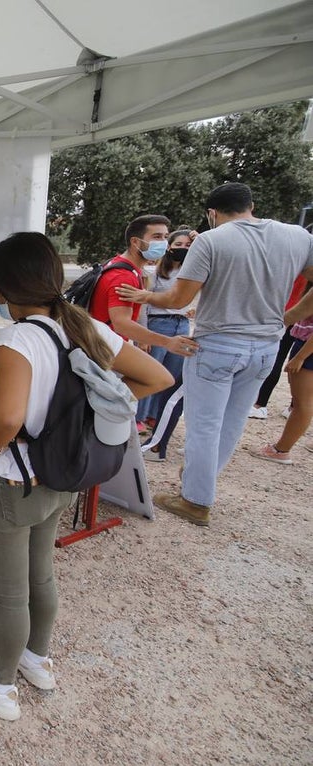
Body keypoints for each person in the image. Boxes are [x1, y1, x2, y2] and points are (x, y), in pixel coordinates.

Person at [0, 232, 170, 722]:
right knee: (40, 573)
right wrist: (87, 413)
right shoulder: (82, 325)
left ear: (6, 287)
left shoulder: (15, 341)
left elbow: (6, 419)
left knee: (8, 593)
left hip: (10, 481)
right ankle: (35, 658)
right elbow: (157, 377)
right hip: (60, 474)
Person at [118, 182, 313, 525]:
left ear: (212, 213)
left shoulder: (211, 240)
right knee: (232, 423)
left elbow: (178, 299)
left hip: (219, 345)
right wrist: (290, 316)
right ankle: (200, 480)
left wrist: (145, 297)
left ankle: (195, 500)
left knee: (204, 425)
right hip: (265, 347)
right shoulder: (296, 236)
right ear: (251, 205)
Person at [87, 215, 199, 361]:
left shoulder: (125, 267)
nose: (163, 242)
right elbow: (121, 324)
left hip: (105, 346)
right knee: (159, 375)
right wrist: (167, 342)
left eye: (165, 237)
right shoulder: (123, 276)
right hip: (105, 351)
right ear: (135, 241)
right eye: (157, 237)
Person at [135, 229, 193, 436]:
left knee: (172, 375)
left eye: (188, 245)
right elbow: (143, 304)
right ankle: (138, 417)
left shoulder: (192, 274)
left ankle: (155, 415)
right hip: (158, 324)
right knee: (150, 372)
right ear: (169, 247)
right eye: (179, 244)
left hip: (182, 324)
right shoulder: (153, 273)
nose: (183, 249)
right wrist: (142, 335)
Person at [251, 289, 313, 464]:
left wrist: (300, 357)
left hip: (308, 347)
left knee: (302, 402)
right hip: (305, 343)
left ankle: (281, 450)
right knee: (304, 401)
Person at [248, 275, 308, 419]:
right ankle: (293, 407)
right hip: (304, 318)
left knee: (278, 357)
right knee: (300, 363)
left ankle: (260, 405)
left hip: (289, 311)